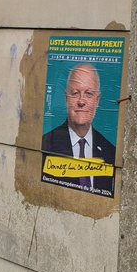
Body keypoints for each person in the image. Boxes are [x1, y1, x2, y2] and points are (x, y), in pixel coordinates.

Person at [41, 63, 116, 195]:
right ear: (66, 99)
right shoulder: (46, 144)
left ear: (97, 101)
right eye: (75, 93)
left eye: (88, 94)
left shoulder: (110, 152)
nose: (81, 101)